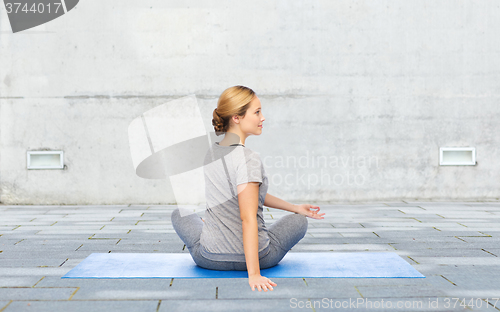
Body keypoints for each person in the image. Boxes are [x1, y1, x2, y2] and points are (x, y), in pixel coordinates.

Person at [171, 85, 325, 292]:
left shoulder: (212, 153)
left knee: (179, 214)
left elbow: (249, 195)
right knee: (298, 222)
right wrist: (254, 274)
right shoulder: (249, 159)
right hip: (261, 258)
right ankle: (223, 232)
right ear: (236, 117)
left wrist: (294, 206)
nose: (262, 117)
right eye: (257, 112)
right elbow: (247, 217)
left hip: (209, 257)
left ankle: (211, 224)